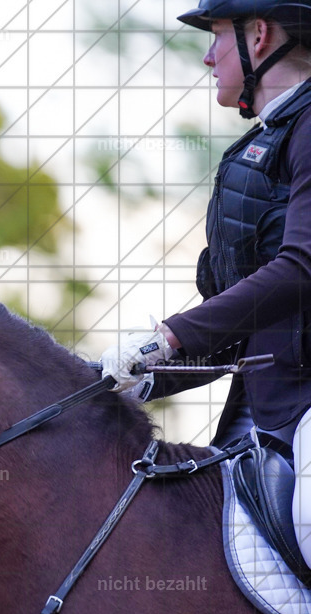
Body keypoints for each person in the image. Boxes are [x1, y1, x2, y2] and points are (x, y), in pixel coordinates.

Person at [100, 0, 311, 565]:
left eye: (216, 36)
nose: (207, 56)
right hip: (261, 415)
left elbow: (300, 269)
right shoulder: (257, 148)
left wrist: (170, 335)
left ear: (259, 35)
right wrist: (144, 375)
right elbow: (246, 329)